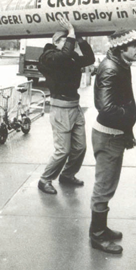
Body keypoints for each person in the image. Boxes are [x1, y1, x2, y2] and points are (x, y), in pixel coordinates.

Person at [89, 29, 136, 254]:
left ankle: (101, 228)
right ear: (122, 48)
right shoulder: (111, 69)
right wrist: (128, 118)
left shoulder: (119, 64)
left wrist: (126, 131)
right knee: (104, 186)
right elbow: (106, 107)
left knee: (108, 185)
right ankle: (97, 234)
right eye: (134, 46)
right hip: (109, 135)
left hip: (114, 134)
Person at [37, 17, 95, 194]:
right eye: (65, 39)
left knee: (80, 147)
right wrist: (71, 32)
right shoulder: (49, 57)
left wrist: (80, 40)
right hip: (60, 108)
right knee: (63, 150)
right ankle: (45, 179)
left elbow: (89, 58)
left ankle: (67, 175)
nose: (69, 43)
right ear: (56, 42)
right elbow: (62, 57)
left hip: (74, 106)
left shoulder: (70, 57)